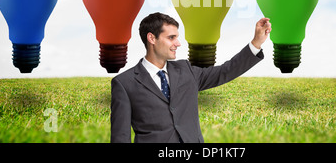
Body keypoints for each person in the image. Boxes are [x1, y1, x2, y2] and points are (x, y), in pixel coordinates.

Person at [110, 12, 271, 143]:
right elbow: (120, 137)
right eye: (171, 37)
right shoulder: (124, 83)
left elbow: (225, 71)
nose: (178, 43)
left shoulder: (186, 71)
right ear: (152, 38)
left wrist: (256, 43)